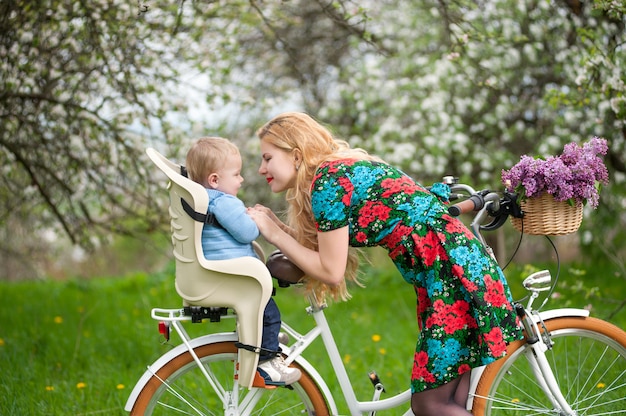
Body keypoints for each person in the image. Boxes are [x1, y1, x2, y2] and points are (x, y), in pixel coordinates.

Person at [247, 113, 524, 415]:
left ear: (296, 155)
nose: (262, 169)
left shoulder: (328, 182)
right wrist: (275, 227)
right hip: (451, 269)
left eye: (267, 158)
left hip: (451, 276)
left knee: (431, 405)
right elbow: (321, 249)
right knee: (450, 404)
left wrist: (273, 232)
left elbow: (330, 270)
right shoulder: (334, 173)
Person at [185, 137, 301, 386]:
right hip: (234, 276)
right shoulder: (222, 201)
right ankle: (268, 361)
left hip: (219, 275)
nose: (241, 179)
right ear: (215, 179)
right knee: (268, 311)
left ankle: (261, 337)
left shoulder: (205, 200)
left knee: (261, 310)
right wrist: (254, 219)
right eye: (236, 174)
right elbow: (246, 233)